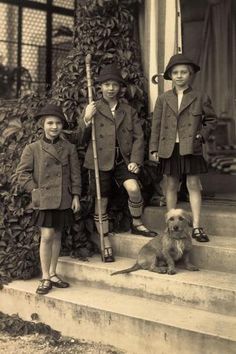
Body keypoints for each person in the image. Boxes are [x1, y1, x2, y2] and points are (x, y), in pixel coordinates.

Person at [78, 64, 157, 262]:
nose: (111, 88)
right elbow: (80, 138)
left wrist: (136, 161)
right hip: (99, 161)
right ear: (100, 87)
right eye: (107, 84)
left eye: (115, 85)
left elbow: (139, 138)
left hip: (123, 159)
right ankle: (104, 241)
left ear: (120, 88)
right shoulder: (93, 107)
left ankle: (137, 223)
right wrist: (86, 119)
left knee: (133, 188)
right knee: (101, 201)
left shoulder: (128, 111)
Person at [149, 54, 217, 242]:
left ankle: (196, 226)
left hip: (190, 147)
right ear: (170, 75)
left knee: (193, 185)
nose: (179, 76)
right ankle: (171, 225)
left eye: (184, 72)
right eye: (175, 72)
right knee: (170, 185)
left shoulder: (200, 96)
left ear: (191, 74)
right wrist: (154, 147)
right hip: (169, 147)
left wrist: (201, 135)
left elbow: (211, 120)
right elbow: (156, 125)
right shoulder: (163, 99)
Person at [16, 103, 81, 294]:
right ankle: (45, 277)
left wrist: (76, 196)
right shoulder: (33, 148)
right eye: (50, 123)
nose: (54, 127)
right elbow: (22, 173)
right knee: (47, 236)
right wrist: (34, 190)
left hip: (63, 198)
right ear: (42, 125)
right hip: (44, 198)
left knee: (58, 235)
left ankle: (53, 273)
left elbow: (75, 175)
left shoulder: (69, 148)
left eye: (58, 123)